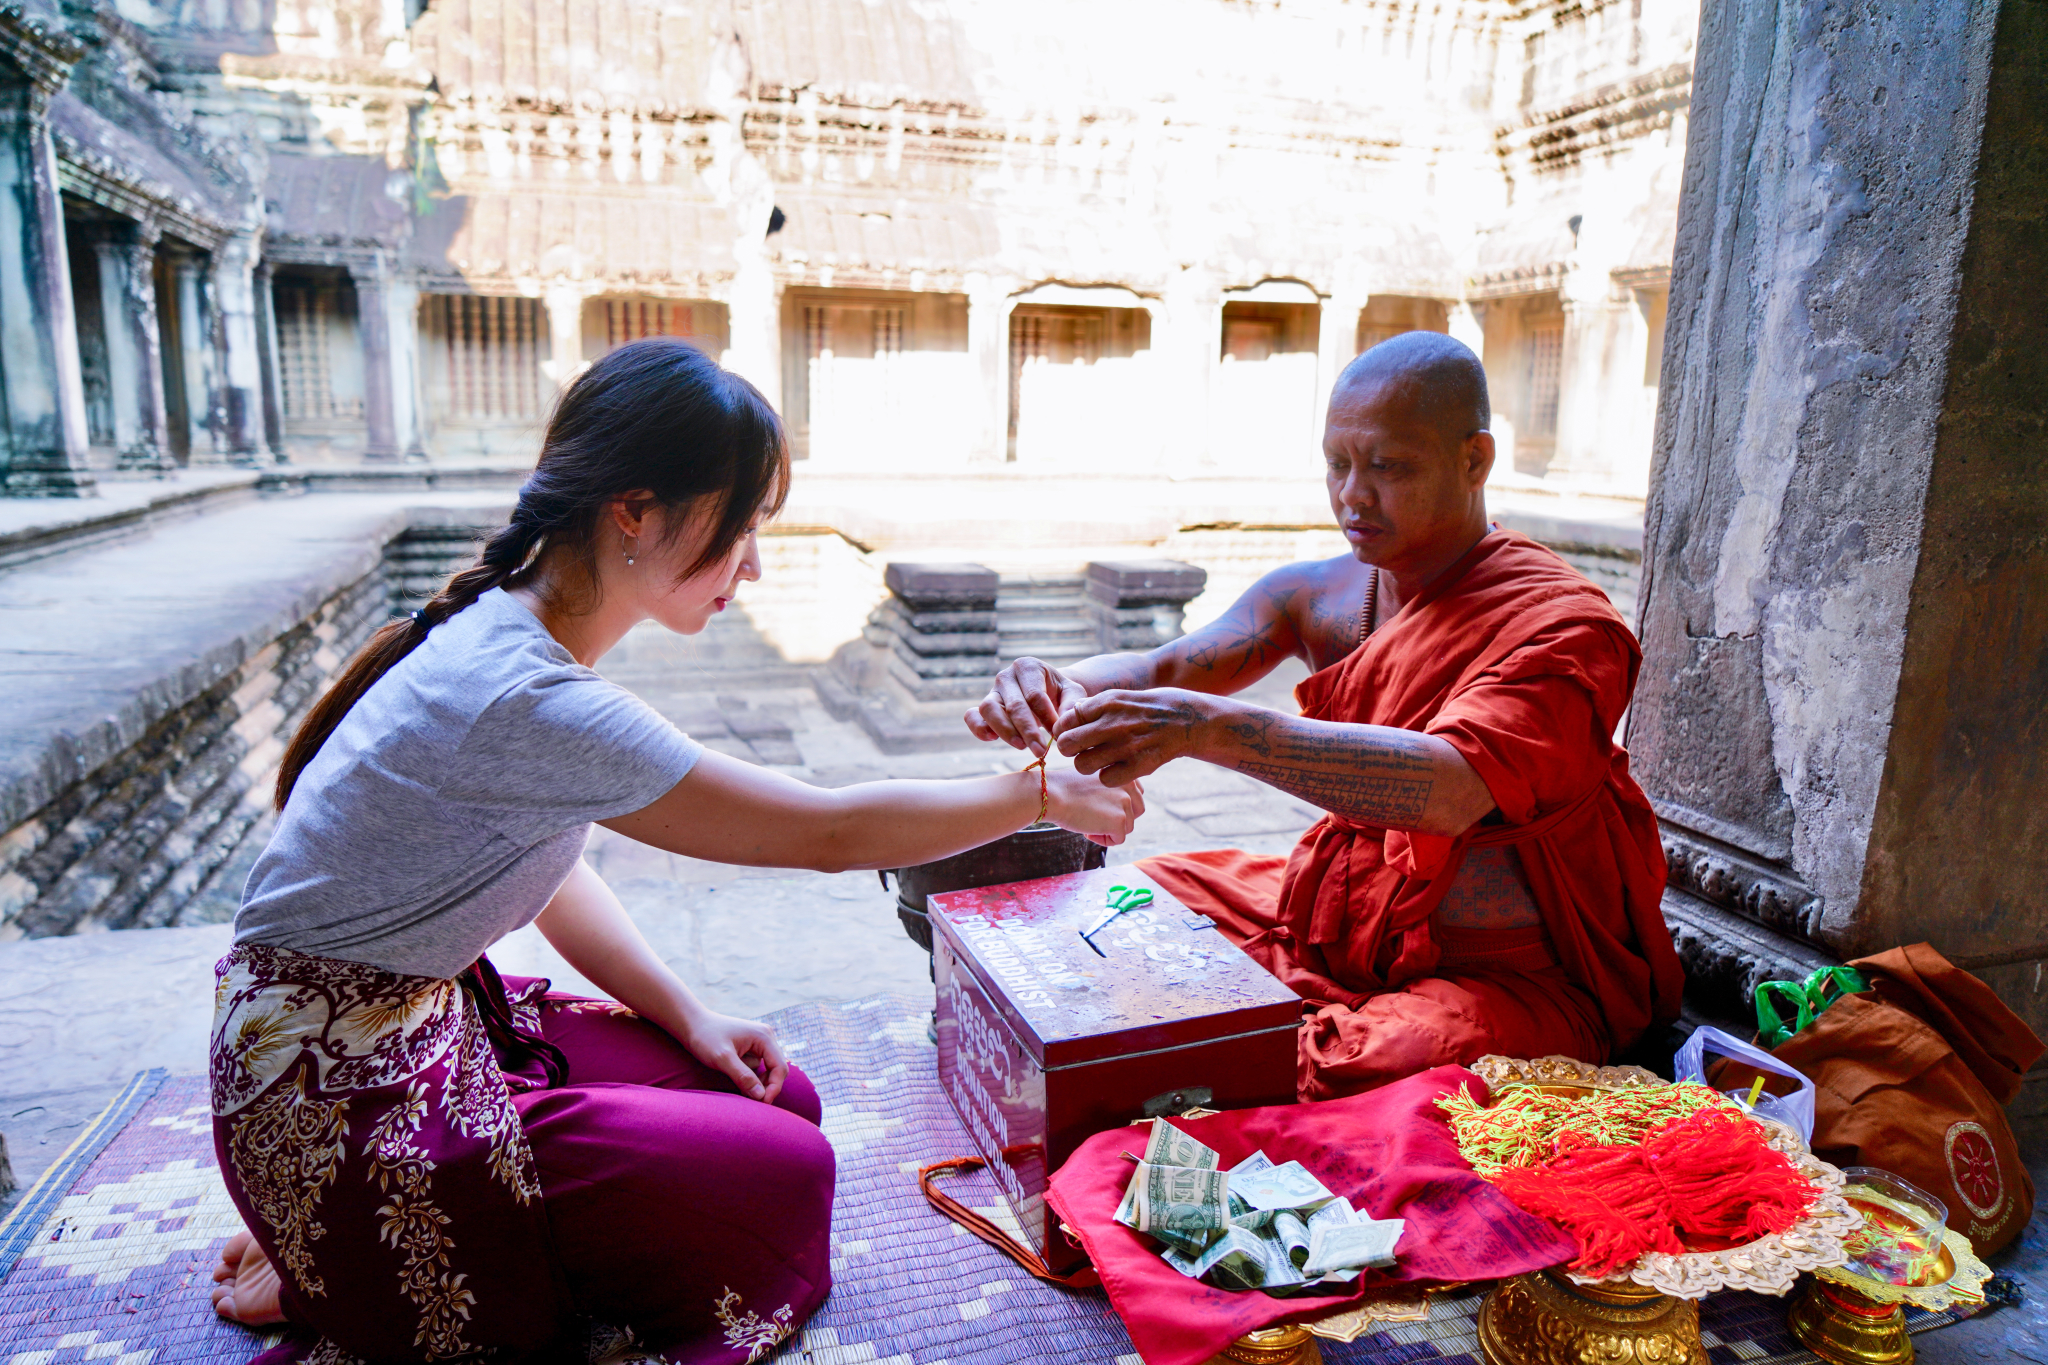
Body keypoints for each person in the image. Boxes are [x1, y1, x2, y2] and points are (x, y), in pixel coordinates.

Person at [206, 338, 1143, 1365]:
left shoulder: (511, 635)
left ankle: (325, 1246)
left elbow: (552, 871)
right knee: (781, 1174)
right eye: (740, 527)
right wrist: (1039, 793)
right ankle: (330, 1259)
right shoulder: (526, 691)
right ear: (633, 512)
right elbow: (824, 832)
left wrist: (687, 1016)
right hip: (334, 1092)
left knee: (778, 1096)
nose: (752, 563)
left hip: (409, 1024)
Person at [967, 332, 1682, 1102]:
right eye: (1337, 464)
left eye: (1387, 466)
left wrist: (1212, 729)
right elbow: (1161, 669)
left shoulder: (1563, 626)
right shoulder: (1322, 594)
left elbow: (1448, 789)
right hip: (1331, 922)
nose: (1352, 495)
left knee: (1336, 1067)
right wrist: (1055, 682)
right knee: (1124, 909)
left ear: (1475, 460)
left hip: (1507, 974)